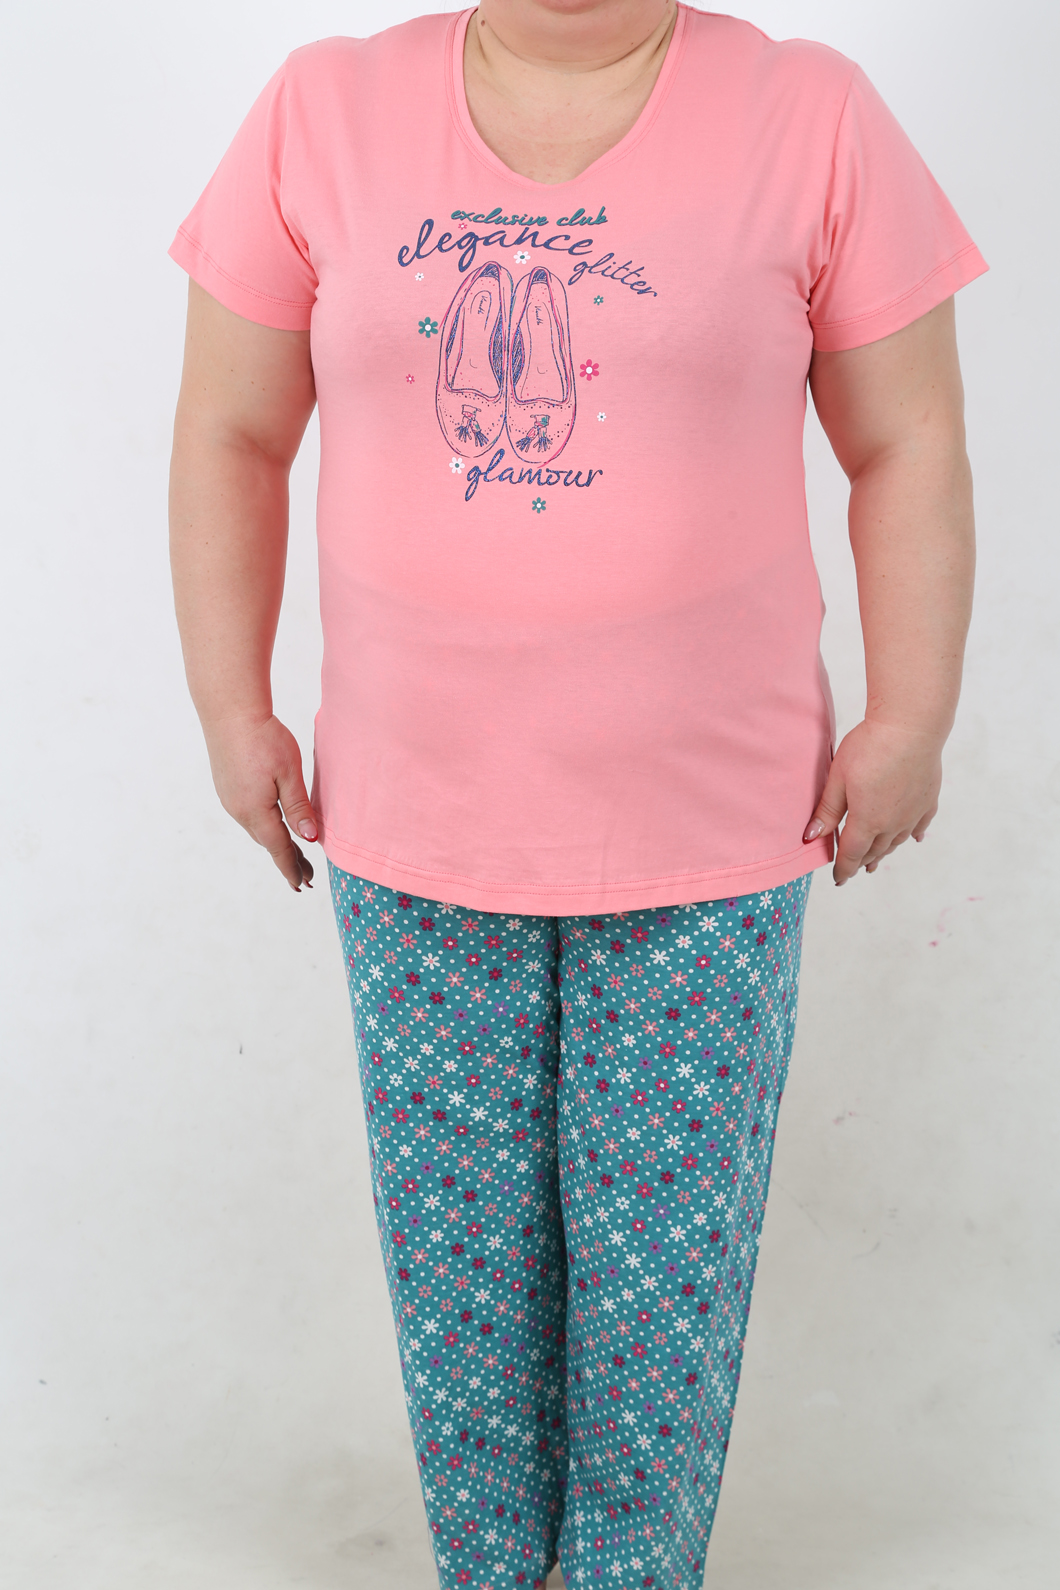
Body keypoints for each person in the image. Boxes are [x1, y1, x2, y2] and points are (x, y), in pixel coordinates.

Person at [167, 2, 987, 1585]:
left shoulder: (810, 113)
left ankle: (632, 1569)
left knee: (661, 1275)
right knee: (461, 1272)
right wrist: (230, 704)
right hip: (415, 823)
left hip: (711, 831)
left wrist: (914, 712)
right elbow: (231, 429)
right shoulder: (322, 109)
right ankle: (488, 1566)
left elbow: (909, 439)